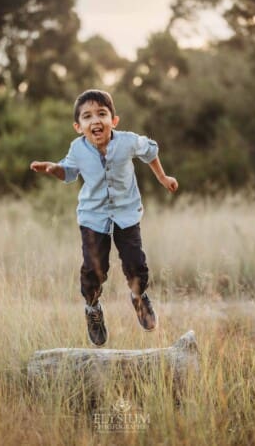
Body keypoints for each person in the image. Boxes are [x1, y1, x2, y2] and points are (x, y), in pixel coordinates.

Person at [30, 89, 178, 347]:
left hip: (126, 211)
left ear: (114, 120)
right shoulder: (77, 148)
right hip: (93, 215)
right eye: (87, 117)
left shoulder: (128, 141)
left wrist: (163, 178)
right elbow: (68, 172)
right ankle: (92, 308)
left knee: (136, 264)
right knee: (93, 270)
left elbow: (150, 151)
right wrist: (54, 169)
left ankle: (139, 297)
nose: (95, 120)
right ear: (78, 127)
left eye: (102, 113)